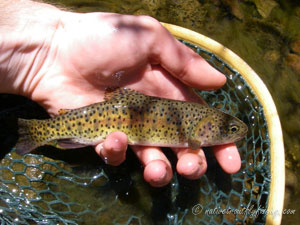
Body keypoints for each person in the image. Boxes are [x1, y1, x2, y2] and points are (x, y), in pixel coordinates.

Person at [0, 0, 241, 187]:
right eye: (229, 130)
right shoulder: (195, 137)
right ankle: (36, 131)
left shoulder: (198, 128)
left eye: (230, 130)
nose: (232, 134)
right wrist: (51, 44)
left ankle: (37, 130)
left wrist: (46, 47)